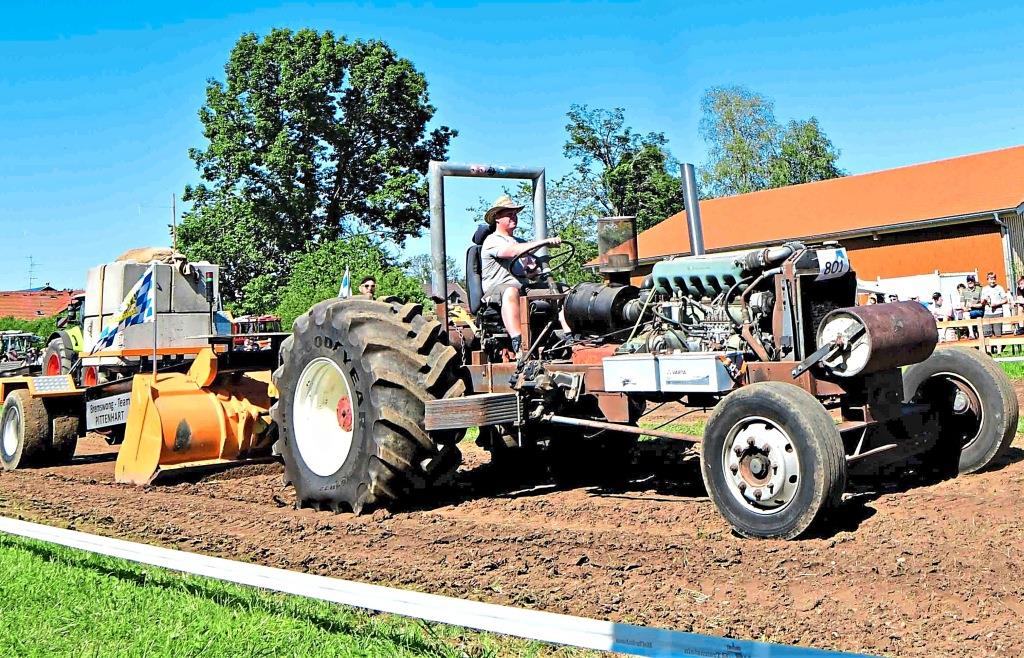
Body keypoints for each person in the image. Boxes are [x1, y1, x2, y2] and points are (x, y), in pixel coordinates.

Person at [480, 194, 563, 354]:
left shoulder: (519, 241)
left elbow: (531, 272)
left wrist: (536, 268)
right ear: (497, 217)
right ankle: (520, 344)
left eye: (515, 213)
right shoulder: (492, 240)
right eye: (509, 213)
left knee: (562, 290)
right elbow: (511, 252)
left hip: (523, 288)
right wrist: (544, 242)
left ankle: (569, 337)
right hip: (496, 292)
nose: (514, 217)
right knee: (511, 290)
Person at [981, 272, 1008, 350]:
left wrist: (996, 304)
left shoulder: (999, 288)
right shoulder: (984, 289)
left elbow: (1005, 299)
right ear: (987, 279)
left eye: (994, 279)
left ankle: (999, 351)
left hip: (998, 312)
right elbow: (982, 302)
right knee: (987, 333)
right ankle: (989, 351)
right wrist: (984, 301)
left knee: (998, 333)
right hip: (987, 313)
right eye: (990, 279)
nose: (992, 281)